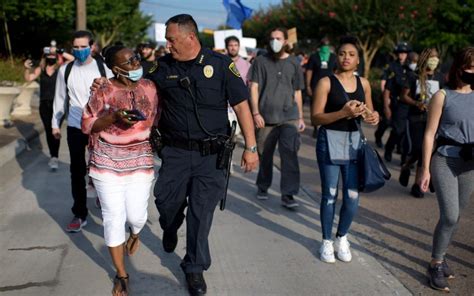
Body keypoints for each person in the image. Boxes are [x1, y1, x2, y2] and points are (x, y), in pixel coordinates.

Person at [92, 14, 258, 296]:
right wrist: (102, 83)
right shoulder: (160, 67)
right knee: (166, 203)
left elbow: (241, 106)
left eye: (171, 39)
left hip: (212, 155)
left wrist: (251, 148)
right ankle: (170, 226)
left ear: (190, 37)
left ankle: (194, 268)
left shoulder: (219, 65)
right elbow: (128, 77)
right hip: (176, 152)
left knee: (200, 213)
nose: (167, 44)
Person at [82, 45, 158, 296]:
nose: (137, 63)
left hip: (140, 162)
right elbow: (88, 124)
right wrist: (114, 118)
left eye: (136, 58)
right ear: (115, 68)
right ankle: (121, 274)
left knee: (137, 216)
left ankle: (135, 233)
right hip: (106, 164)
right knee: (113, 216)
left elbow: (157, 117)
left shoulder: (149, 86)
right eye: (130, 62)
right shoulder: (104, 89)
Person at [311, 36, 379, 263]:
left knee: (352, 196)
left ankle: (342, 237)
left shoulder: (365, 83)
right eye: (342, 54)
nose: (346, 57)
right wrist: (343, 113)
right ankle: (326, 241)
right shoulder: (326, 82)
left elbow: (370, 112)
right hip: (329, 140)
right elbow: (315, 118)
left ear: (358, 60)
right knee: (329, 195)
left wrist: (373, 116)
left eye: (351, 54)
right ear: (336, 57)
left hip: (353, 143)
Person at [418, 47, 474, 293]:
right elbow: (429, 134)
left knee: (457, 216)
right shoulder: (442, 95)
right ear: (460, 68)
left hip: (469, 164)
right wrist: (425, 168)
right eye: (471, 67)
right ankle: (436, 263)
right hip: (444, 160)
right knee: (450, 215)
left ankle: (441, 255)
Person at [52, 30, 113, 233]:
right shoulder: (65, 70)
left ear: (92, 46)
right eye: (75, 47)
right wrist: (55, 123)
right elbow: (60, 98)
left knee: (103, 169)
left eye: (83, 47)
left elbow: (115, 96)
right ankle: (80, 213)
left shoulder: (104, 68)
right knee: (76, 170)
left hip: (100, 125)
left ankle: (105, 203)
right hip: (76, 126)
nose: (79, 51)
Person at [249, 27, 305, 209]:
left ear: (286, 41)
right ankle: (263, 186)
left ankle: (288, 194)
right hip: (265, 118)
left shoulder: (294, 63)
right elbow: (254, 88)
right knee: (265, 154)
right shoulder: (260, 61)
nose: (275, 41)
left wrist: (301, 118)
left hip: (290, 117)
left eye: (279, 38)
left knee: (289, 154)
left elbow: (297, 91)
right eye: (272, 38)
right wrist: (256, 113)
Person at [400, 48, 445, 198]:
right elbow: (403, 96)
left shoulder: (440, 77)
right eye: (431, 57)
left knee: (427, 151)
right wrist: (416, 103)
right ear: (424, 59)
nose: (434, 60)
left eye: (436, 57)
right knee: (419, 148)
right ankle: (406, 165)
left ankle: (418, 184)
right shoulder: (414, 76)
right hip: (416, 119)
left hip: (432, 119)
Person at [23, 46, 74, 170]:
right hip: (44, 105)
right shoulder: (41, 69)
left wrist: (57, 50)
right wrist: (26, 68)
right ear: (45, 57)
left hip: (58, 106)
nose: (51, 56)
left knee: (55, 131)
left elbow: (72, 59)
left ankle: (54, 157)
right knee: (48, 131)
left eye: (53, 55)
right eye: (48, 54)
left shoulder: (61, 68)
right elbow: (28, 78)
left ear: (56, 57)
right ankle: (53, 156)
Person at [383, 51, 419, 164]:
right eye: (411, 61)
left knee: (409, 135)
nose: (413, 64)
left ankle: (405, 159)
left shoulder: (419, 74)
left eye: (415, 62)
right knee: (398, 131)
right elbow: (387, 89)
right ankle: (389, 149)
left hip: (415, 107)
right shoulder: (399, 70)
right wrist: (386, 107)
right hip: (401, 106)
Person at [375, 42, 411, 150]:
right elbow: (384, 81)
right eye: (400, 53)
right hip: (390, 97)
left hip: (402, 100)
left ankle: (397, 146)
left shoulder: (409, 67)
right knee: (386, 121)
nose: (402, 55)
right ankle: (378, 136)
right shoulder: (391, 66)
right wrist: (385, 98)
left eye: (404, 53)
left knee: (399, 125)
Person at [306, 37, 337, 138]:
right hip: (315, 86)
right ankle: (315, 128)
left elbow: (337, 72)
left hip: (330, 87)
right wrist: (308, 86)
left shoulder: (333, 57)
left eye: (327, 44)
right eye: (324, 44)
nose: (325, 46)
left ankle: (326, 128)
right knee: (315, 108)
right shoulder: (314, 57)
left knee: (329, 107)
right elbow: (309, 71)